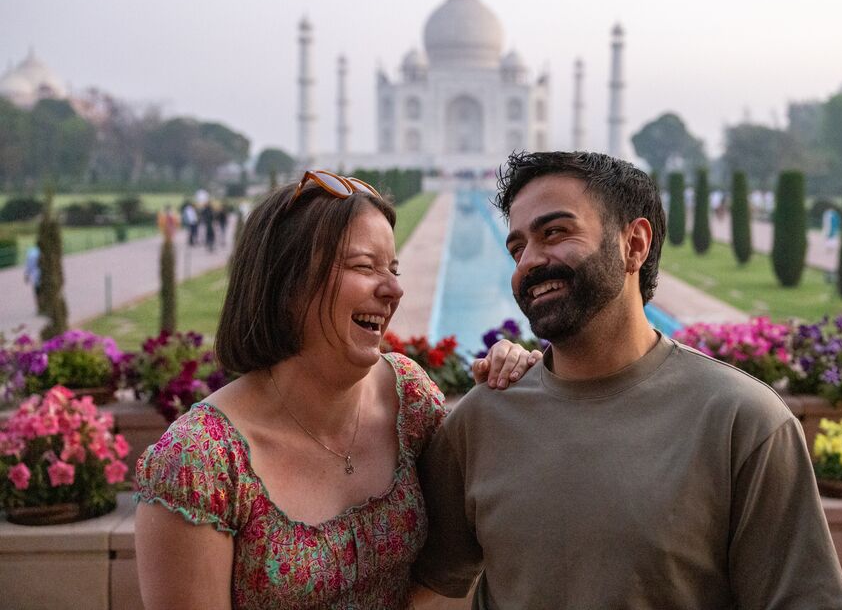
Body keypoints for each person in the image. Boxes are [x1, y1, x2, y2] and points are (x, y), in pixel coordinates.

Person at [414, 151, 842, 609]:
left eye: (555, 232)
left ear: (635, 244)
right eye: (518, 247)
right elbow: (435, 590)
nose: (529, 262)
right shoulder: (483, 420)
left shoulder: (741, 422)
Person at [134, 170, 539, 609]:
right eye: (365, 266)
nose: (394, 289)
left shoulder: (406, 398)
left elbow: (461, 534)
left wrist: (514, 385)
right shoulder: (201, 463)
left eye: (394, 268)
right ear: (287, 283)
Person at [822, 206, 841, 283]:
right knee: (832, 256)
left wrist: (827, 234)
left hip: (830, 236)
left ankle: (829, 274)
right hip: (833, 236)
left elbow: (828, 226)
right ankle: (831, 273)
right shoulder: (835, 215)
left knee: (829, 256)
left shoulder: (829, 215)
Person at [23, 242, 42, 313]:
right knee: (43, 292)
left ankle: (39, 308)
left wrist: (26, 275)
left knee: (37, 293)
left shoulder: (31, 253)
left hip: (35, 276)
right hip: (44, 276)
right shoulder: (45, 252)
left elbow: (28, 266)